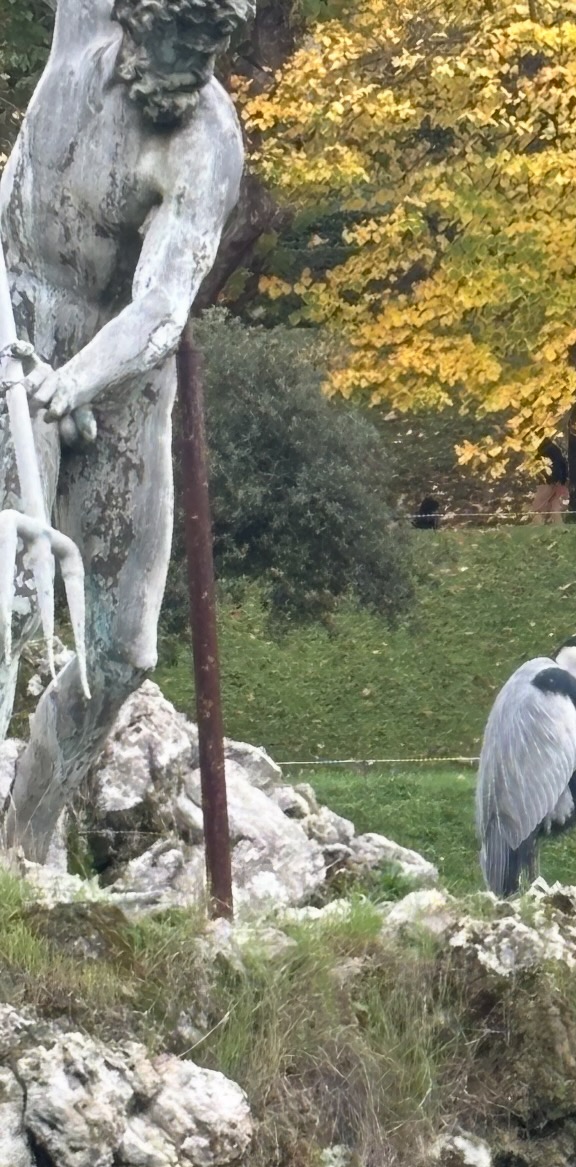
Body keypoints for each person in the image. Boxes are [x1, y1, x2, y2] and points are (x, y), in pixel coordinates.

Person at [0, 0, 251, 859]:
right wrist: (40, 379)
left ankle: (23, 844)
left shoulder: (205, 140)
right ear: (138, 17)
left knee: (121, 654)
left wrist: (75, 383)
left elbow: (163, 308)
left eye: (214, 42)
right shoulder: (82, 30)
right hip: (14, 329)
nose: (196, 60)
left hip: (119, 378)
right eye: (183, 33)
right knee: (9, 595)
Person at [530, 438, 569, 522]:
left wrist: (553, 479)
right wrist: (562, 480)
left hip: (550, 482)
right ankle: (557, 524)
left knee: (540, 505)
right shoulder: (555, 451)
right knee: (554, 505)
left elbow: (555, 466)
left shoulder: (545, 451)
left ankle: (538, 523)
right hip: (558, 481)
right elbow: (562, 464)